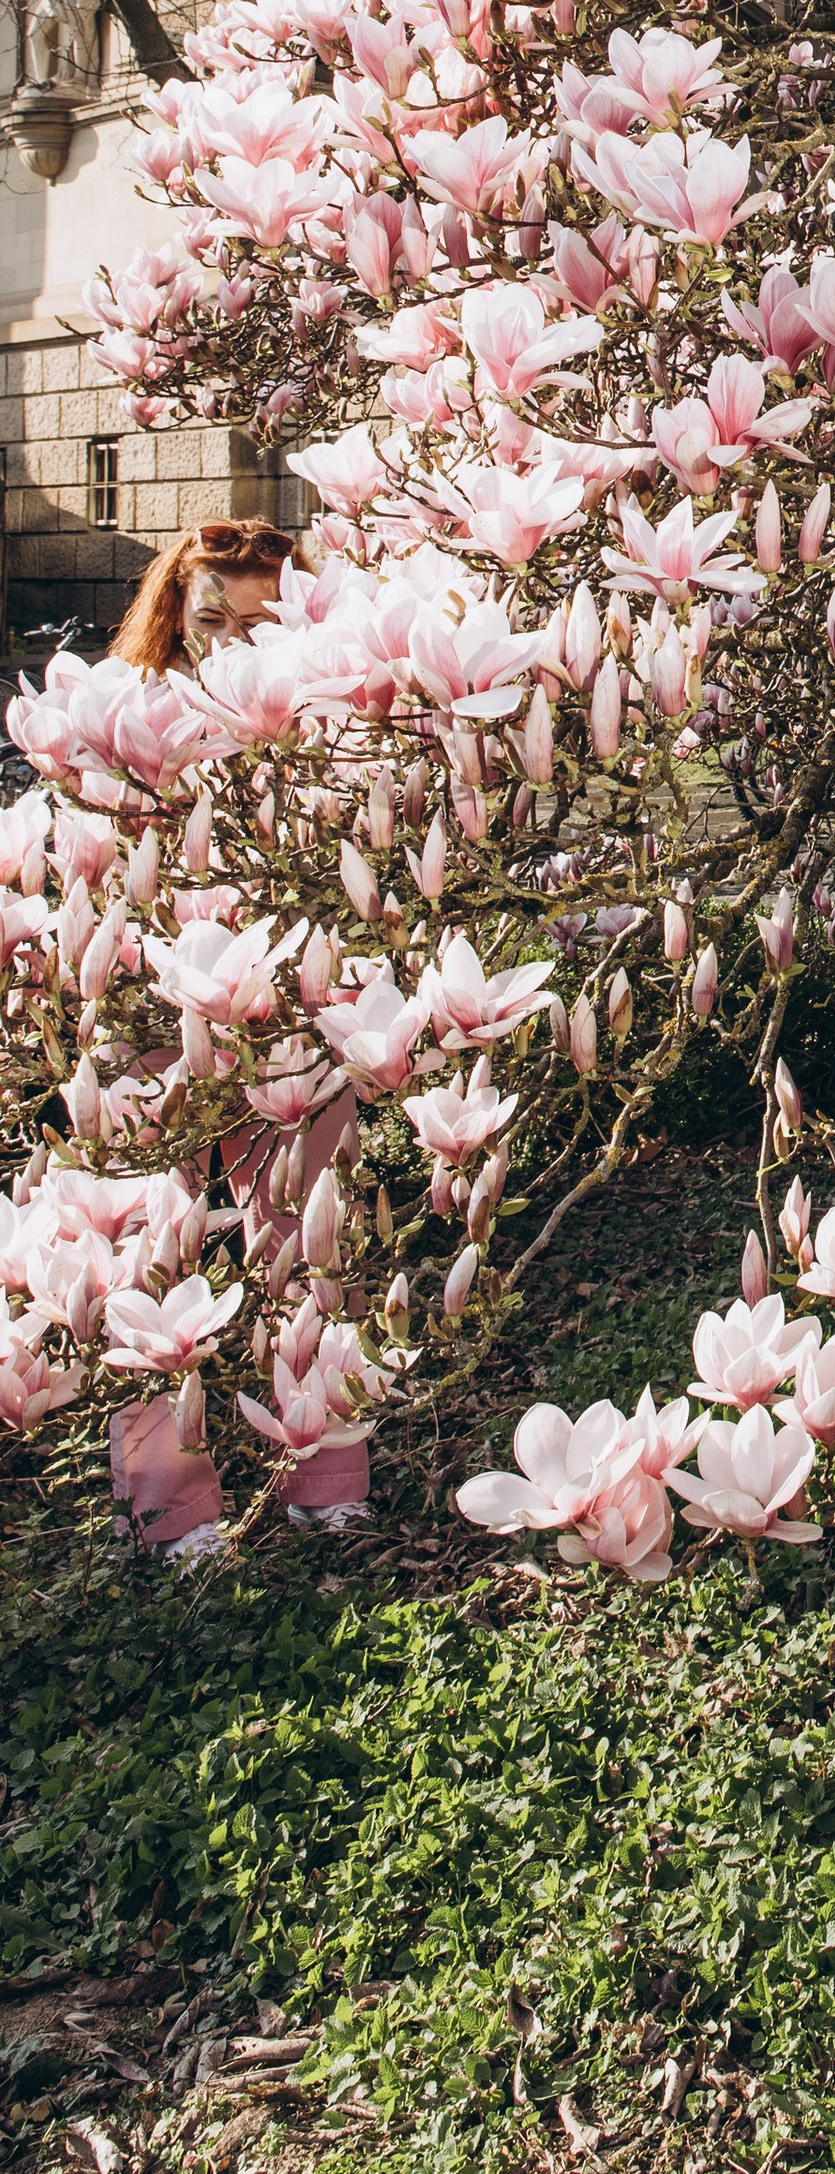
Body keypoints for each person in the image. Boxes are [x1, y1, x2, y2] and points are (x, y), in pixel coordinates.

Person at [98, 513, 374, 1548]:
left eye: (257, 623)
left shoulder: (324, 722)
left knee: (308, 1252)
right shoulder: (121, 713)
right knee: (152, 1262)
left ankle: (323, 1480)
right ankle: (174, 1507)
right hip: (151, 1017)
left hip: (292, 1015)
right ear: (174, 607)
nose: (228, 640)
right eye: (209, 613)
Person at [108, 513, 301, 671]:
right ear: (175, 611)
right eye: (209, 620)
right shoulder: (141, 703)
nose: (226, 644)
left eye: (252, 624)